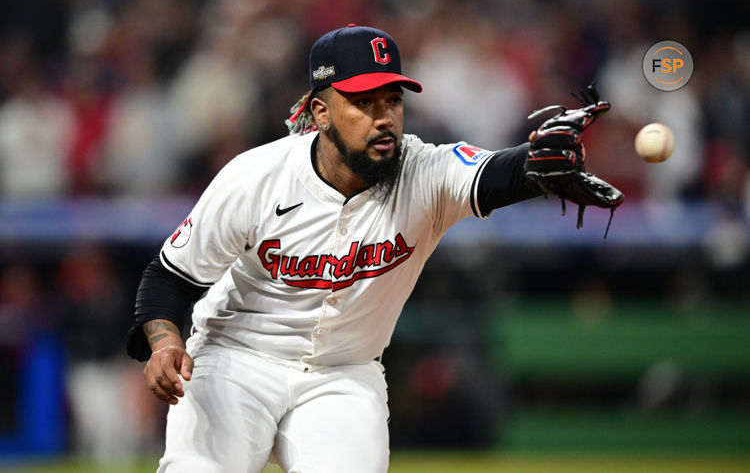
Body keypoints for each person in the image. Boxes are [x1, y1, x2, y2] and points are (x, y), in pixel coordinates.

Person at [126, 24, 621, 472]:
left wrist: (535, 162)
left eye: (392, 100)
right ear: (321, 111)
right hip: (235, 361)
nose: (383, 118)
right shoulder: (256, 177)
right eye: (364, 103)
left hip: (344, 373)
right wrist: (166, 343)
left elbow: (493, 173)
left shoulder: (423, 171)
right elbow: (168, 277)